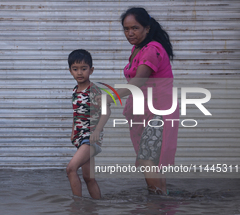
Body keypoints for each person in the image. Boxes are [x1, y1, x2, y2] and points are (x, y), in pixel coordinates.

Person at [107, 7, 179, 195]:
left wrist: (110, 96)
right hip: (144, 109)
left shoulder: (152, 49)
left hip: (159, 110)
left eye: (135, 28)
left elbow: (138, 81)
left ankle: (155, 209)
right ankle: (161, 208)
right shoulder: (137, 49)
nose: (130, 33)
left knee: (148, 158)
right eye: (126, 29)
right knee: (152, 159)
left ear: (147, 28)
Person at [66, 49, 111, 199]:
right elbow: (77, 113)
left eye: (84, 69)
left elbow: (106, 111)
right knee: (89, 177)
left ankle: (77, 206)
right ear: (70, 71)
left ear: (91, 70)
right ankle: (97, 206)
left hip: (90, 137)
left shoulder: (94, 90)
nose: (80, 73)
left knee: (71, 169)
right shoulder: (75, 91)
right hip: (81, 137)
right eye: (75, 69)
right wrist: (73, 130)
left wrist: (98, 130)